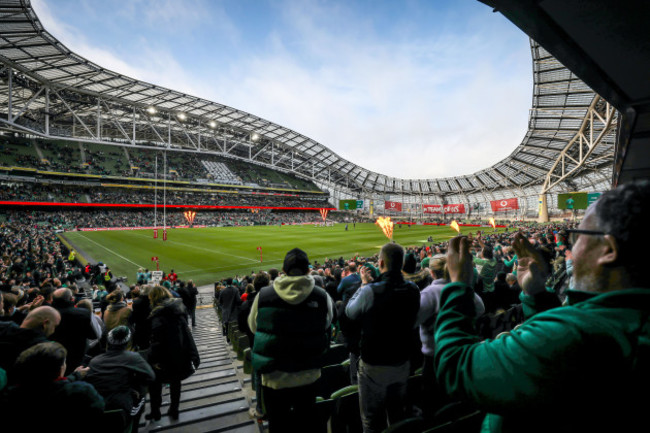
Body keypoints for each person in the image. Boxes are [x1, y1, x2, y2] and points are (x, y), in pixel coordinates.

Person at [434, 180, 650, 433]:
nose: (572, 247)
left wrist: (459, 285)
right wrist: (537, 294)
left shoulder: (576, 334)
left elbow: (454, 366)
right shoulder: (625, 319)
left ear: (608, 249)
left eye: (578, 236)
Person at [248, 248, 333, 433]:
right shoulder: (322, 296)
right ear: (308, 270)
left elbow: (253, 327)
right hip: (309, 375)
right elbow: (327, 325)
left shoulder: (264, 295)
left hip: (274, 378)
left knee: (278, 425)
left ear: (283, 271)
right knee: (307, 424)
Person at [345, 243, 420, 433]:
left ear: (380, 263)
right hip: (402, 362)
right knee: (397, 415)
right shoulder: (413, 289)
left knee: (371, 421)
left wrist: (364, 285)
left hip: (373, 366)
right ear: (401, 264)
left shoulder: (370, 291)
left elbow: (350, 312)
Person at [1, 342, 105, 433]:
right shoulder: (81, 392)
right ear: (60, 369)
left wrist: (75, 375)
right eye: (64, 362)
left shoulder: (11, 395)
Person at [85, 326, 155, 430]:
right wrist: (133, 385)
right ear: (127, 342)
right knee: (141, 395)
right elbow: (150, 376)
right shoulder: (132, 357)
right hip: (120, 409)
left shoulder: (94, 361)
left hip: (97, 408)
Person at [146, 285, 200, 421]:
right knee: (175, 382)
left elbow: (157, 340)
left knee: (155, 383)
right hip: (179, 353)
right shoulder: (178, 309)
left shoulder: (158, 314)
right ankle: (174, 409)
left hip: (164, 356)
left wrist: (153, 359)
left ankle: (155, 411)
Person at [0, 306, 61, 377]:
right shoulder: (44, 349)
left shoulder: (4, 328)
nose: (53, 331)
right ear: (45, 324)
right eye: (55, 326)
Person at [50, 288, 96, 374]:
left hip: (54, 354)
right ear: (72, 299)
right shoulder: (83, 313)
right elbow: (93, 335)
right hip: (76, 356)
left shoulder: (47, 313)